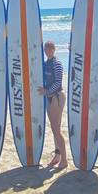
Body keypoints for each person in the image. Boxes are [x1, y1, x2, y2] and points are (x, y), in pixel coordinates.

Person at [38, 40, 68, 170]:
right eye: (46, 48)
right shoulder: (45, 64)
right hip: (48, 98)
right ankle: (57, 155)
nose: (48, 50)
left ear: (54, 49)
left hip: (57, 97)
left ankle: (65, 159)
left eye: (50, 48)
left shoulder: (57, 64)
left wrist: (48, 91)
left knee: (57, 130)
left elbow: (58, 82)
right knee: (54, 129)